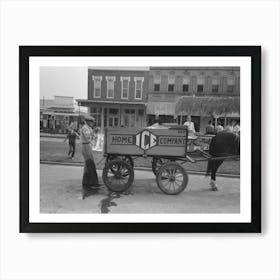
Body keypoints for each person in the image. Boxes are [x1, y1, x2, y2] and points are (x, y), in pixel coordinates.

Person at [80, 115, 100, 191]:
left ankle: (86, 183)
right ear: (88, 122)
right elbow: (89, 137)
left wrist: (95, 132)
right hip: (85, 146)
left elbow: (93, 137)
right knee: (90, 165)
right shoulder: (85, 128)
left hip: (88, 146)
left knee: (87, 166)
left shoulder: (88, 128)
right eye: (92, 122)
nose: (93, 124)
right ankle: (93, 183)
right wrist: (94, 132)